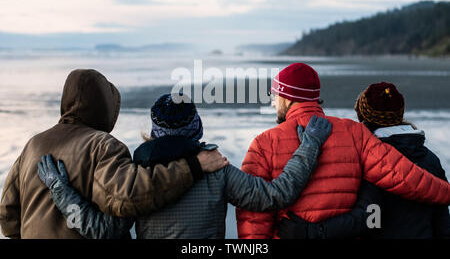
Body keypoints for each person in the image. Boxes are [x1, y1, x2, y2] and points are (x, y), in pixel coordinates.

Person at [36, 93, 332, 239]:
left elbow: (98, 230)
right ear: (197, 128)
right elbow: (277, 195)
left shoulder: (136, 175)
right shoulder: (217, 168)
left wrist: (59, 188)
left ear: (153, 132)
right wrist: (310, 145)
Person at [0, 69, 228, 239]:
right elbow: (130, 196)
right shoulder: (103, 146)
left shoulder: (33, 144)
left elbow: (8, 217)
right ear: (105, 106)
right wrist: (194, 166)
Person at [236, 63, 450, 239]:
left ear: (287, 97)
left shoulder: (263, 144)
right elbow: (404, 176)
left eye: (275, 95)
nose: (273, 103)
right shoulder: (353, 132)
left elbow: (254, 215)